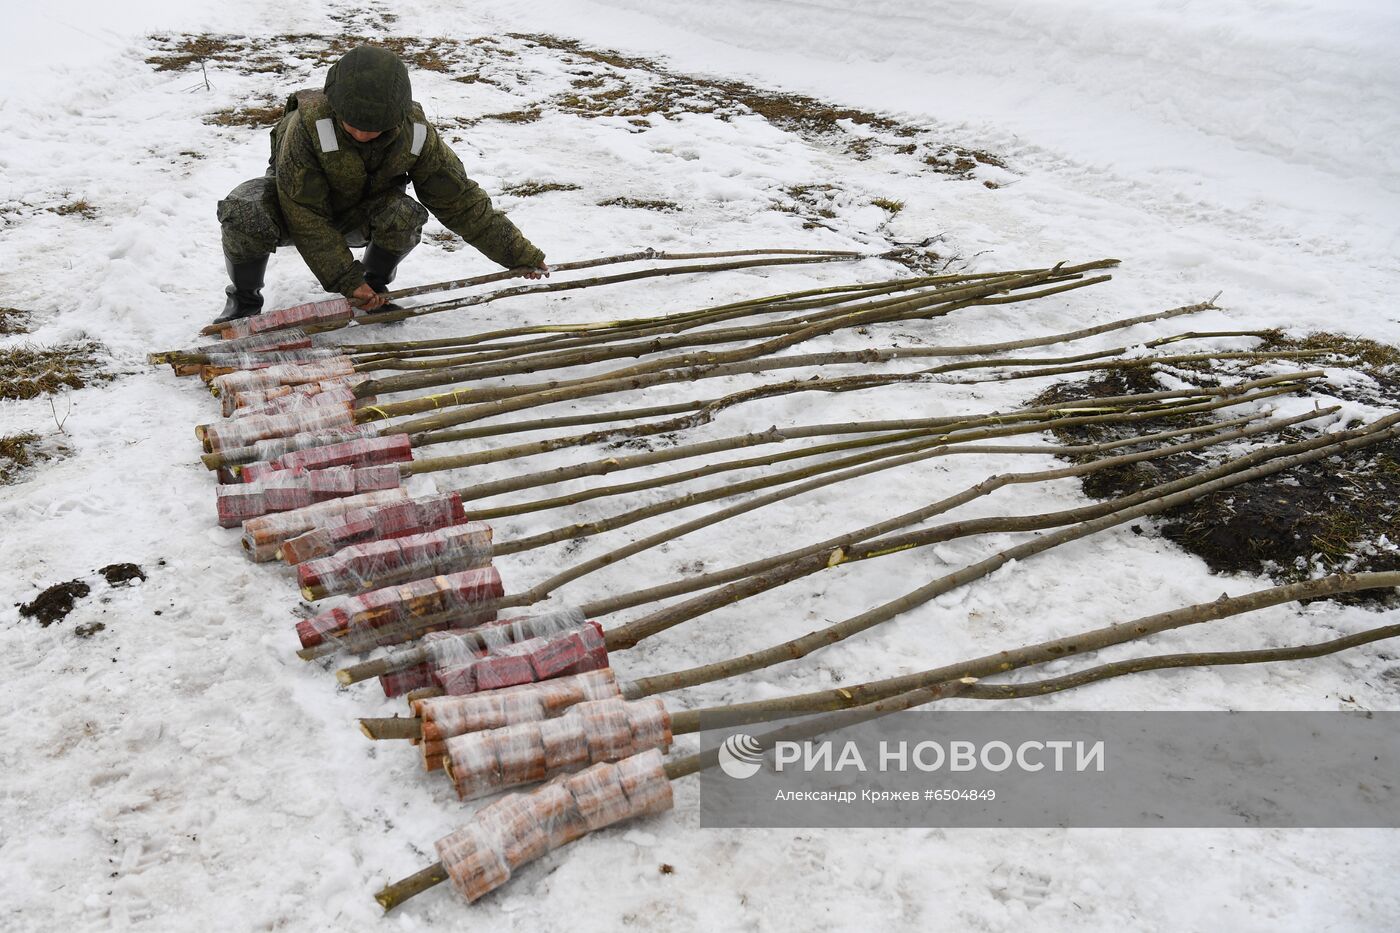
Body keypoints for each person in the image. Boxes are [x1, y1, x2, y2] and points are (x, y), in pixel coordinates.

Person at [213, 44, 548, 324]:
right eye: (352, 124)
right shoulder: (306, 126)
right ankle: (244, 301)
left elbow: (460, 201)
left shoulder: (416, 134)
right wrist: (346, 279)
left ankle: (373, 290)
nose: (361, 134)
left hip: (362, 215)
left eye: (375, 127)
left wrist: (517, 253)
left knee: (404, 213)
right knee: (245, 210)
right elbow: (304, 213)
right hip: (293, 211)